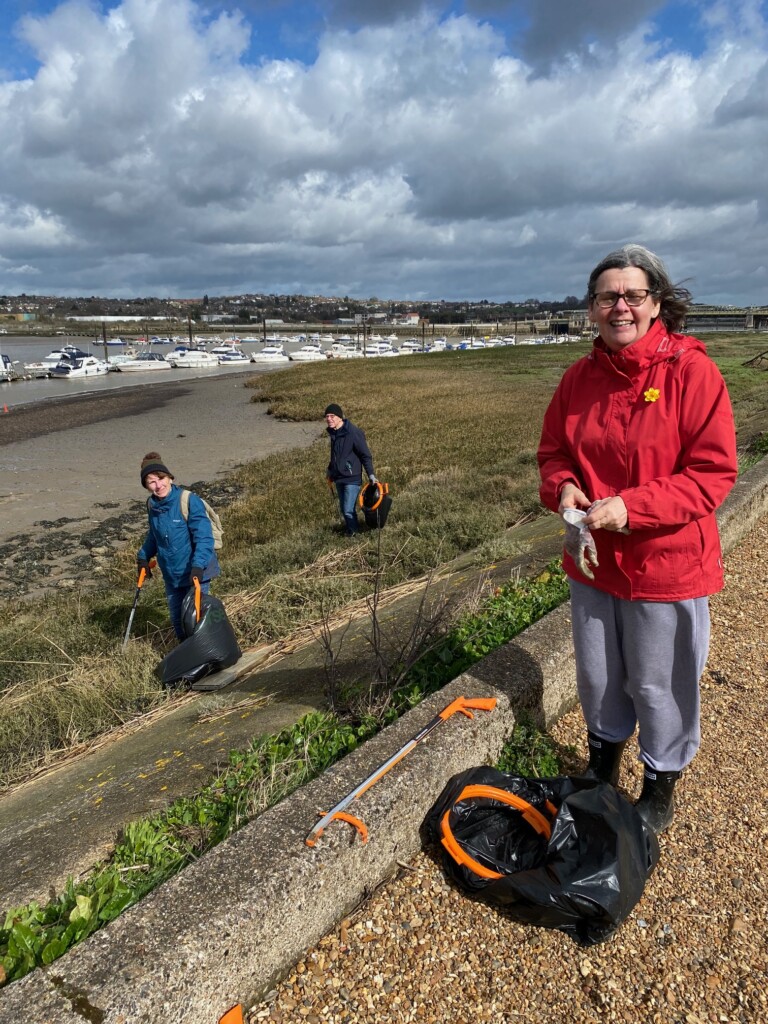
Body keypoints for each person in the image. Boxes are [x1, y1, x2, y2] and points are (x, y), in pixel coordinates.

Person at [537, 244, 738, 834]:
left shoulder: (692, 372)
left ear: (656, 304)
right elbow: (554, 452)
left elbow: (712, 474)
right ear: (591, 309)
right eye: (607, 297)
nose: (619, 306)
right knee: (598, 677)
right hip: (594, 563)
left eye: (633, 295)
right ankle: (602, 768)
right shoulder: (578, 379)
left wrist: (631, 508)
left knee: (660, 682)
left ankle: (659, 784)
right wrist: (564, 487)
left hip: (667, 564)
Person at [136, 452, 220, 640]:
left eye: (161, 478)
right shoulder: (152, 505)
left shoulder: (188, 500)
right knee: (178, 622)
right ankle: (188, 653)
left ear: (170, 478)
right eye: (151, 482)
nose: (158, 485)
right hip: (171, 574)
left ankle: (208, 651)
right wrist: (143, 557)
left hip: (196, 573)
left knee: (195, 621)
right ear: (146, 486)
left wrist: (198, 566)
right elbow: (154, 535)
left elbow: (204, 538)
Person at [324, 403, 376, 536]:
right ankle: (351, 530)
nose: (329, 419)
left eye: (332, 416)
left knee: (348, 510)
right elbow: (335, 456)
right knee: (344, 509)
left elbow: (365, 455)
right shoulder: (334, 433)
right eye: (327, 416)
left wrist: (371, 474)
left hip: (352, 478)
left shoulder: (353, 433)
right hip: (338, 477)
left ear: (340, 417)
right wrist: (330, 470)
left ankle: (353, 534)